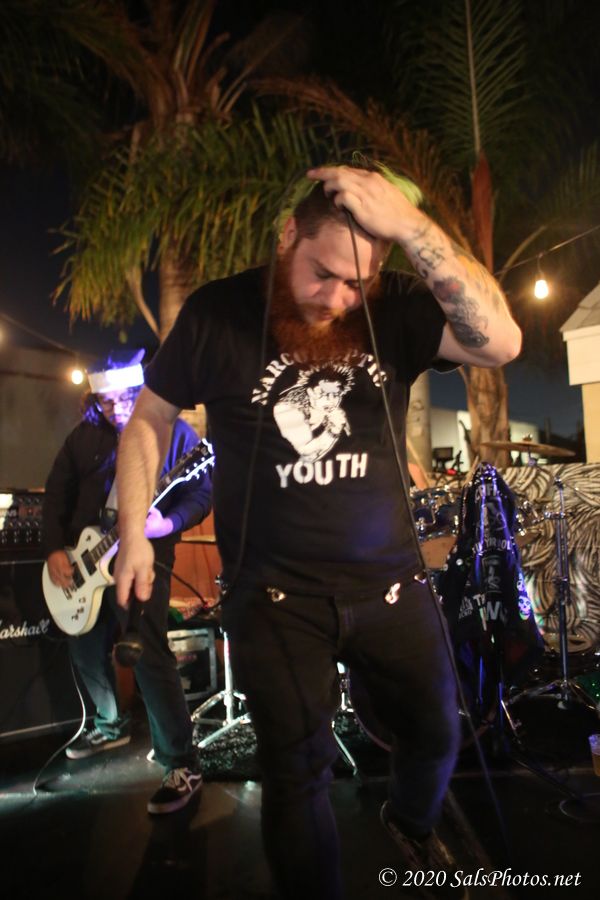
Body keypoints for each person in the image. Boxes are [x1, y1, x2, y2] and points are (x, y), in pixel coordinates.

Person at [113, 162, 522, 897]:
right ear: (287, 235)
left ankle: (410, 822)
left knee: (438, 731)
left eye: (356, 283)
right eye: (323, 273)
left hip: (390, 585)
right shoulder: (218, 312)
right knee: (295, 775)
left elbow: (501, 344)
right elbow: (150, 418)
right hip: (274, 597)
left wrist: (413, 227)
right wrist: (135, 533)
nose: (337, 298)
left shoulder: (395, 308)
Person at [42, 349, 212, 815]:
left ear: (141, 391)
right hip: (85, 560)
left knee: (147, 650)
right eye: (106, 401)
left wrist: (167, 522)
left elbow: (201, 492)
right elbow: (56, 492)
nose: (116, 408)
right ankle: (109, 725)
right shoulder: (84, 437)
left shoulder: (177, 434)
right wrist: (55, 547)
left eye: (125, 398)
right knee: (83, 641)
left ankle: (181, 762)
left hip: (145, 556)